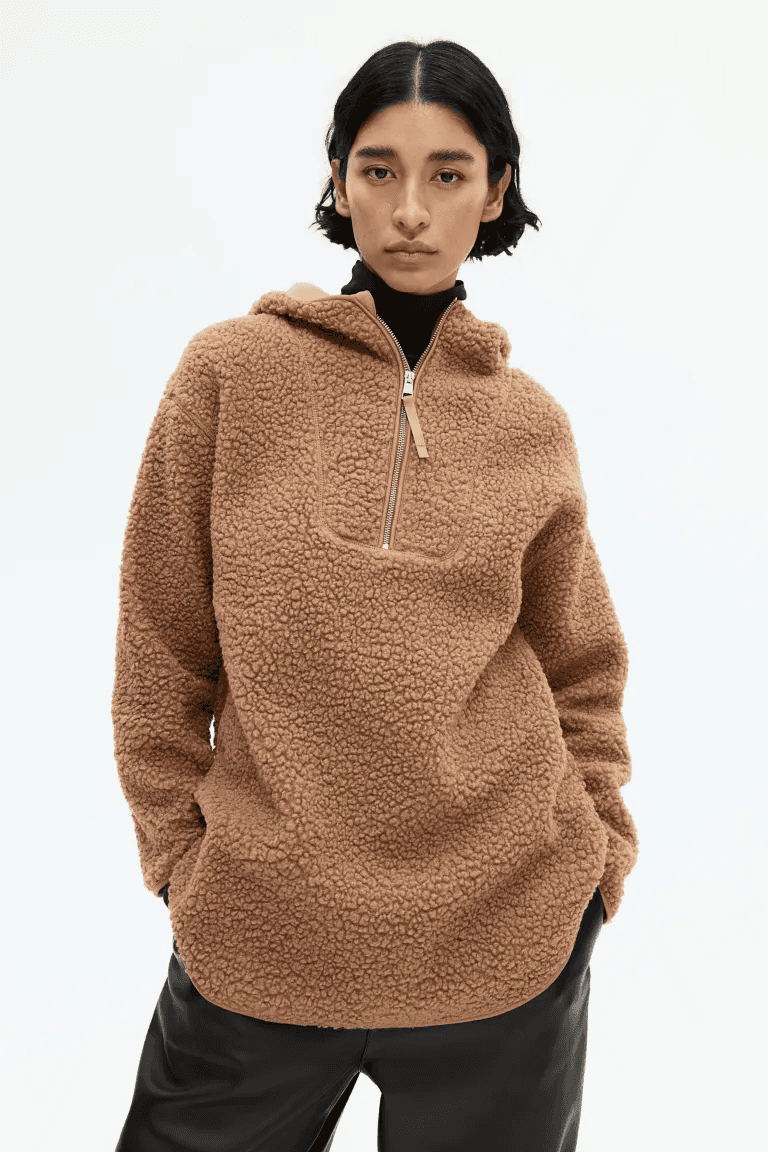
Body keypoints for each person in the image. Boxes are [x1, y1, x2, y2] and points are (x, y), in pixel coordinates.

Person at [112, 37, 638, 1152]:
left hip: (507, 942)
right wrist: (178, 860)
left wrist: (598, 856)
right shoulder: (230, 374)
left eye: (448, 174)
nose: (409, 209)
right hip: (261, 936)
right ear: (339, 180)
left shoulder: (530, 424)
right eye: (379, 169)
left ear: (494, 189)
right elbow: (159, 640)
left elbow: (581, 664)